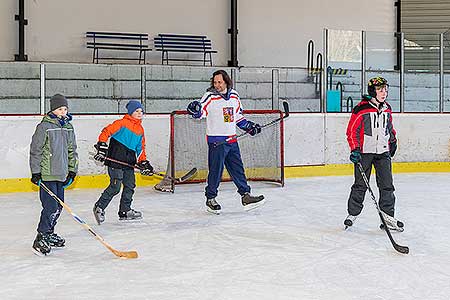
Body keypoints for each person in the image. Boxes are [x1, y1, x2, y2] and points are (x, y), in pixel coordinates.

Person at [186, 69, 265, 214]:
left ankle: (245, 196)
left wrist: (249, 127)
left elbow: (236, 117)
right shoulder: (209, 96)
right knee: (216, 171)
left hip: (232, 140)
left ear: (226, 81)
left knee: (237, 169)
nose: (217, 85)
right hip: (217, 142)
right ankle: (211, 199)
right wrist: (195, 110)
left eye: (219, 82)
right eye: (215, 82)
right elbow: (201, 112)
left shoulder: (234, 96)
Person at [344, 77, 404, 231]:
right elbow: (352, 131)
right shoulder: (361, 109)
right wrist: (355, 149)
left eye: (385, 89)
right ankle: (352, 214)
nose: (384, 93)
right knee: (360, 185)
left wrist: (392, 140)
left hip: (383, 152)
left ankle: (388, 218)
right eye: (380, 90)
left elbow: (389, 127)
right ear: (373, 91)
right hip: (364, 153)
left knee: (387, 186)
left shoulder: (387, 108)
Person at [30, 94, 79, 256]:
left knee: (58, 206)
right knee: (50, 206)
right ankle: (41, 236)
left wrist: (72, 170)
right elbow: (36, 150)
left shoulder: (68, 127)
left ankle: (49, 233)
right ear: (52, 110)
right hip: (47, 174)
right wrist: (36, 172)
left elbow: (72, 150)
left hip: (62, 173)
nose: (63, 112)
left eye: (65, 109)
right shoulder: (44, 127)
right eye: (59, 109)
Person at [92, 100, 154, 224]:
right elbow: (106, 132)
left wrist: (143, 162)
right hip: (115, 161)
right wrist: (102, 146)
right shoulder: (122, 123)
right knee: (115, 187)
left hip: (128, 163)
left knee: (130, 186)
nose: (139, 113)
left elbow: (140, 148)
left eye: (141, 111)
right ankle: (99, 207)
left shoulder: (140, 130)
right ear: (130, 112)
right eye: (137, 111)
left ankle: (125, 211)